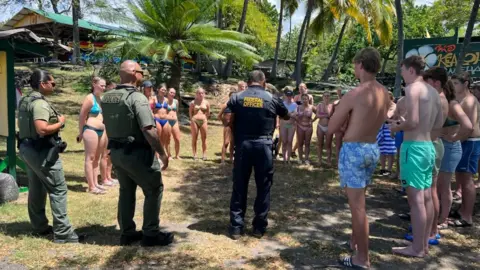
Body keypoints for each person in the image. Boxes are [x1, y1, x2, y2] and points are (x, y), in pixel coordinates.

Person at [327, 48, 389, 269]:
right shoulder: (385, 93)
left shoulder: (355, 93)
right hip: (372, 148)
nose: (354, 68)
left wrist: (332, 118)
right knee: (360, 200)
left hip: (354, 150)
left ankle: (362, 259)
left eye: (355, 64)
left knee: (358, 208)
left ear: (361, 64)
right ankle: (355, 241)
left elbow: (332, 127)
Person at [102, 60, 173, 247]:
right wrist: (162, 153)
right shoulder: (137, 98)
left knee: (126, 191)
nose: (143, 75)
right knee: (154, 189)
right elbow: (149, 129)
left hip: (117, 152)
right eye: (142, 71)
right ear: (134, 73)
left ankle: (127, 233)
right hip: (137, 153)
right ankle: (151, 234)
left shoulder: (107, 97)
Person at [17, 69, 82, 243]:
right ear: (43, 84)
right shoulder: (39, 104)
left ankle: (40, 227)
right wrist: (60, 122)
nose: (54, 86)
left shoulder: (25, 100)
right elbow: (42, 128)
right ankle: (63, 233)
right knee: (58, 189)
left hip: (27, 148)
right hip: (41, 152)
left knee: (37, 188)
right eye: (52, 83)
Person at [389, 55, 443, 258]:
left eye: (402, 70)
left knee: (416, 200)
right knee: (427, 196)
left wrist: (396, 126)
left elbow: (412, 121)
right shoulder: (434, 92)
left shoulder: (412, 89)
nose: (402, 75)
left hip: (414, 147)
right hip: (429, 145)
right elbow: (438, 124)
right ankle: (424, 243)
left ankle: (418, 248)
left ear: (411, 70)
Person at [227, 70, 289, 240]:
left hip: (243, 145)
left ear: (248, 82)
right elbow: (286, 115)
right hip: (264, 146)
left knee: (239, 185)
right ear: (263, 82)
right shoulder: (272, 98)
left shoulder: (237, 97)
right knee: (263, 186)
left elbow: (227, 119)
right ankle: (259, 227)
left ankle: (236, 227)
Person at [448, 72, 480, 228]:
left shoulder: (470, 101)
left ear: (465, 83)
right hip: (462, 141)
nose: (453, 86)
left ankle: (467, 216)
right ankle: (462, 210)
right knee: (460, 177)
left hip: (470, 142)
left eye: (456, 83)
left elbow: (470, 126)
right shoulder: (459, 100)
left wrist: (455, 139)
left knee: (467, 180)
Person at [77, 77, 108, 194]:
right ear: (94, 84)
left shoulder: (100, 99)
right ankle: (91, 186)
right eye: (102, 85)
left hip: (101, 130)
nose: (104, 88)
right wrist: (81, 132)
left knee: (97, 158)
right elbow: (82, 116)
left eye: (105, 86)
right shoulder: (90, 98)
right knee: (90, 158)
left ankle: (96, 183)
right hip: (91, 129)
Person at [376, 92, 397, 176]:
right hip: (382, 129)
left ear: (391, 98)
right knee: (382, 150)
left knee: (390, 150)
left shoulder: (394, 106)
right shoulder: (383, 106)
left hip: (390, 129)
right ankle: (382, 168)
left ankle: (389, 169)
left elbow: (387, 117)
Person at [292, 94, 315, 165]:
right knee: (300, 143)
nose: (305, 100)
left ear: (308, 100)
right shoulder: (298, 107)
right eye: (303, 99)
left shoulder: (312, 107)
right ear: (301, 100)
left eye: (306, 99)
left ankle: (306, 159)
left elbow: (318, 114)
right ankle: (300, 158)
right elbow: (293, 115)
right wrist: (297, 119)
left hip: (308, 127)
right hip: (300, 126)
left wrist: (313, 120)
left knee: (307, 143)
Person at [189, 87, 210, 160]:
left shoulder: (206, 102)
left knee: (204, 138)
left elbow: (208, 112)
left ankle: (204, 154)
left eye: (202, 93)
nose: (200, 94)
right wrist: (192, 120)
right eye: (199, 93)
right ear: (196, 94)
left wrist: (205, 119)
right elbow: (190, 112)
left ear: (204, 94)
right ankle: (194, 154)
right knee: (195, 137)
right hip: (195, 120)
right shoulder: (193, 102)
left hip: (203, 120)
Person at [313, 91, 333, 167]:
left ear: (329, 97)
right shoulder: (319, 105)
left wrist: (324, 112)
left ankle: (328, 161)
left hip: (329, 127)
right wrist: (326, 115)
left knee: (328, 145)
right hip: (320, 126)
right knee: (320, 144)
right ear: (323, 97)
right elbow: (317, 115)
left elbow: (330, 115)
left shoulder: (331, 106)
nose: (326, 97)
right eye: (325, 96)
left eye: (328, 96)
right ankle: (319, 161)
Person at [279, 87, 297, 163]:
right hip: (283, 125)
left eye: (290, 96)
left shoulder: (295, 104)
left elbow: (295, 115)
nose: (289, 97)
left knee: (290, 141)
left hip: (291, 125)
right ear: (285, 96)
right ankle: (284, 158)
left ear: (292, 96)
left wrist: (287, 113)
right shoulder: (282, 104)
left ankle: (288, 159)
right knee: (284, 141)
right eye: (288, 95)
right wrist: (290, 113)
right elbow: (280, 115)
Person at [218, 90, 236, 164]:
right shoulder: (226, 105)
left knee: (233, 143)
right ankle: (223, 159)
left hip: (234, 125)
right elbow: (219, 116)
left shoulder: (236, 106)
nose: (233, 97)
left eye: (234, 96)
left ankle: (231, 159)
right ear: (229, 96)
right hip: (227, 125)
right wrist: (224, 122)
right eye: (232, 96)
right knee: (226, 142)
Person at [153, 84, 170, 161]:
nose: (163, 91)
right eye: (162, 89)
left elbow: (168, 110)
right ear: (158, 89)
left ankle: (161, 153)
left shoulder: (166, 100)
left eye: (165, 90)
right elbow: (150, 109)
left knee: (164, 136)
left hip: (165, 119)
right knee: (158, 137)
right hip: (157, 119)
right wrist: (153, 116)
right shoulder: (154, 99)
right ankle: (156, 153)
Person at [165, 88, 181, 159]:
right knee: (168, 139)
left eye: (174, 93)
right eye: (171, 92)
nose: (172, 94)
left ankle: (177, 155)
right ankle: (169, 155)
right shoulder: (164, 101)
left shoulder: (176, 101)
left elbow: (176, 111)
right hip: (167, 121)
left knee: (177, 139)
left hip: (175, 121)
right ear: (167, 93)